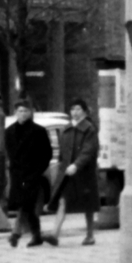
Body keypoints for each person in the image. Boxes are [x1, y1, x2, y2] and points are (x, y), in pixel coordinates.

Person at [48, 98, 100, 246]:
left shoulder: (90, 129)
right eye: (72, 109)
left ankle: (90, 235)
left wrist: (76, 165)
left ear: (84, 111)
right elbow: (62, 151)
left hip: (84, 173)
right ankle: (54, 234)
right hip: (67, 173)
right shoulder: (67, 129)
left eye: (78, 109)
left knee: (88, 204)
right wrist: (58, 165)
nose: (74, 112)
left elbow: (88, 151)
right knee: (63, 201)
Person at [4, 99, 53, 248]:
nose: (23, 114)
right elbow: (9, 153)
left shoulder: (39, 131)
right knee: (27, 206)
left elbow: (47, 153)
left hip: (33, 175)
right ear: (15, 113)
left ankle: (16, 234)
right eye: (20, 111)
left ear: (30, 113)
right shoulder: (9, 131)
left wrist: (38, 171)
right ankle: (36, 236)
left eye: (25, 111)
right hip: (18, 175)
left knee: (27, 205)